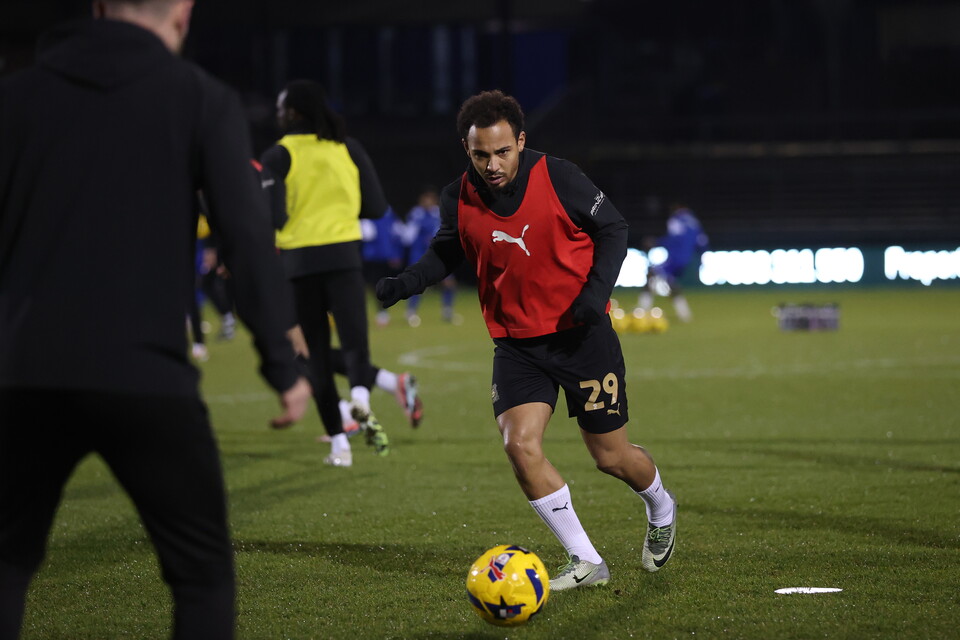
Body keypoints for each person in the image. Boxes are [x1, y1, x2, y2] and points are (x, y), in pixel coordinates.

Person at [0, 1, 312, 639]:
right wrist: (282, 365)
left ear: (98, 8)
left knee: (5, 561)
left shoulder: (16, 97)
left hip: (23, 372)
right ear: (183, 13)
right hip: (146, 374)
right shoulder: (200, 97)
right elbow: (246, 239)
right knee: (200, 576)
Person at [377, 90, 678, 592]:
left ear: (520, 141)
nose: (492, 165)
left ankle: (662, 506)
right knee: (519, 445)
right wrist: (409, 282)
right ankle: (586, 560)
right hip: (517, 345)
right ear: (466, 150)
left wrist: (594, 294)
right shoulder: (458, 196)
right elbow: (448, 250)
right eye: (480, 155)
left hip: (582, 338)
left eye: (501, 152)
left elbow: (614, 227)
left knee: (610, 458)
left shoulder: (559, 176)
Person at [260, 79, 391, 467]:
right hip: (344, 258)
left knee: (315, 355)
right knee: (354, 344)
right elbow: (376, 207)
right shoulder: (347, 148)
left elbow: (274, 217)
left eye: (282, 108)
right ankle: (361, 400)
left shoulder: (277, 155)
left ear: (295, 113)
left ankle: (340, 446)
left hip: (299, 265)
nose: (278, 115)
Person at [638, 202, 709, 322]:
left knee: (652, 273)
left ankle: (642, 310)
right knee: (669, 280)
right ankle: (684, 313)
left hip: (675, 257)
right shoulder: (694, 221)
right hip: (687, 258)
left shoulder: (675, 219)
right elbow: (702, 242)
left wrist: (655, 242)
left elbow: (673, 238)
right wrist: (701, 257)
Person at [401, 186, 459, 326]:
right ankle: (411, 312)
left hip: (437, 255)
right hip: (419, 255)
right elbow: (407, 237)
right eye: (425, 200)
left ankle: (447, 311)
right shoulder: (416, 214)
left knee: (449, 283)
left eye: (430, 200)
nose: (427, 202)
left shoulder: (438, 214)